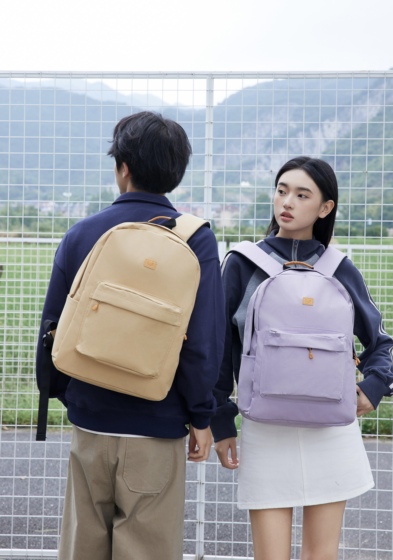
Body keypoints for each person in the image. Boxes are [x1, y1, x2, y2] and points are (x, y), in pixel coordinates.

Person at [36, 111, 225, 560]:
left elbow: (53, 326)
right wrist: (201, 416)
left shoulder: (83, 233)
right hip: (158, 427)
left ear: (122, 167)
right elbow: (203, 342)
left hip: (90, 420)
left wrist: (67, 393)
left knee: (83, 548)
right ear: (176, 172)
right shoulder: (195, 240)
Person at [211, 156, 393, 560]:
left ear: (325, 207)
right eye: (281, 191)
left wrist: (374, 386)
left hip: (331, 430)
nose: (287, 202)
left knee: (321, 555)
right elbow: (219, 349)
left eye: (301, 194)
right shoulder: (242, 263)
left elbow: (380, 342)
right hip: (265, 428)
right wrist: (220, 420)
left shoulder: (339, 268)